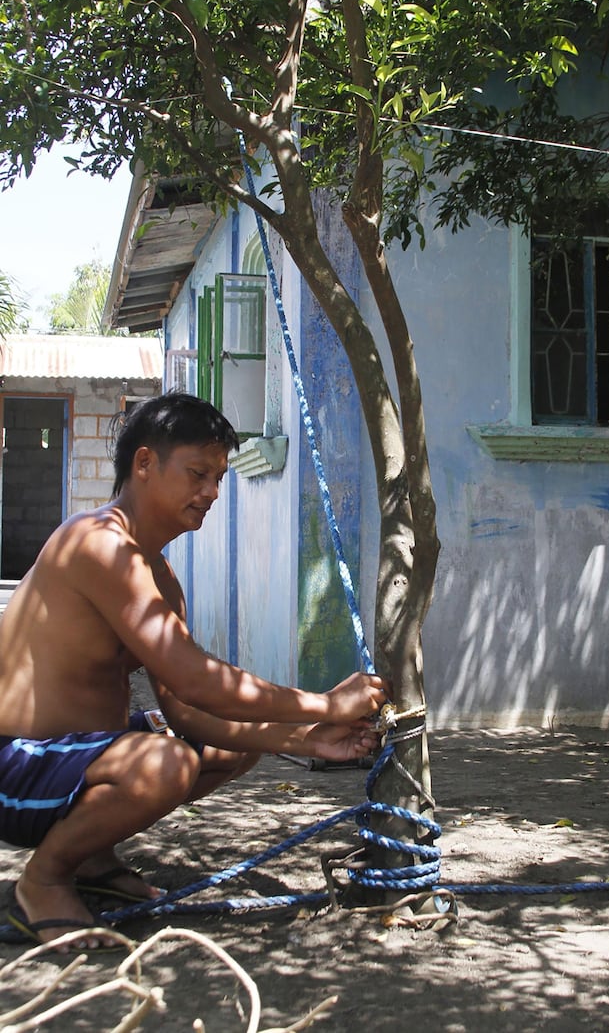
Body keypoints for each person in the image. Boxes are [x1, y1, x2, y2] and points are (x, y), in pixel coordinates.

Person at [0, 393, 387, 950]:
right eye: (198, 474)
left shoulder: (159, 576)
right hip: (17, 768)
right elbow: (197, 680)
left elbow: (188, 712)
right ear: (144, 464)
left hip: (69, 764)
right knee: (163, 764)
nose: (210, 492)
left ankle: (89, 860)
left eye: (219, 479)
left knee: (230, 748)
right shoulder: (99, 543)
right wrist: (325, 705)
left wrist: (304, 740)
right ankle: (43, 883)